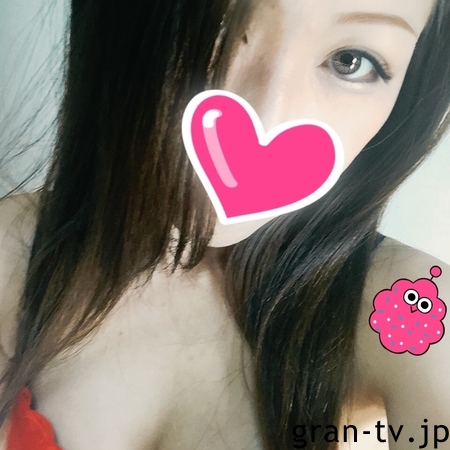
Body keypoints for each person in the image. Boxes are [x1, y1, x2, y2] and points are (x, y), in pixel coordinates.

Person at [0, 0, 449, 449]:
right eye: (220, 25)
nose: (268, 116)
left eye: (351, 61)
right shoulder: (12, 246)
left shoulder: (410, 306)